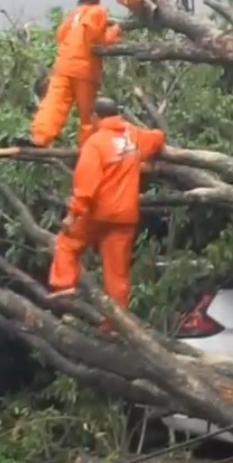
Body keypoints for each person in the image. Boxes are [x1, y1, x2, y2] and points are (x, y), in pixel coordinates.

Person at [49, 97, 166, 314]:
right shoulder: (134, 135)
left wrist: (72, 216)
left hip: (98, 213)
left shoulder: (95, 143)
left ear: (96, 116)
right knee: (117, 273)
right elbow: (158, 137)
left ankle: (64, 286)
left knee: (67, 242)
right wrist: (148, 158)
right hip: (125, 216)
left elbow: (86, 186)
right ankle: (115, 323)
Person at [29, 0, 123, 148]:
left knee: (53, 104)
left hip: (63, 67)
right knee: (87, 114)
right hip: (84, 69)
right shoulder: (97, 11)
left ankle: (39, 138)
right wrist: (115, 31)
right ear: (95, 0)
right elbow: (96, 40)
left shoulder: (73, 14)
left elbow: (60, 36)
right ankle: (87, 147)